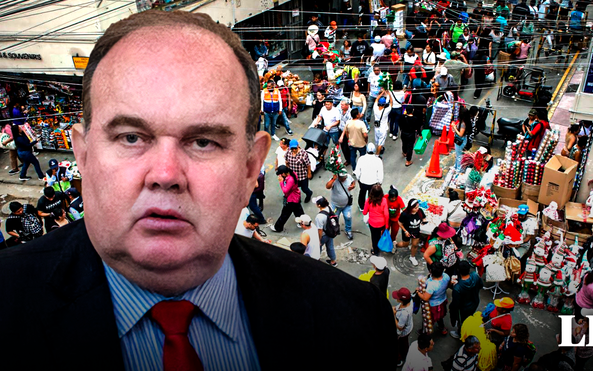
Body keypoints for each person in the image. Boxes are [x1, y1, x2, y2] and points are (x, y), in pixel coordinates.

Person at [0, 11, 397, 370]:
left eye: (204, 141)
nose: (166, 174)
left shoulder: (352, 319)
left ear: (250, 168)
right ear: (82, 156)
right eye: (131, 137)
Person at [449, 260, 483, 340]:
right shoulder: (475, 276)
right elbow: (481, 286)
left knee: (462, 321)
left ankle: (460, 333)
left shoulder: (458, 288)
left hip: (463, 308)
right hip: (475, 302)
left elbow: (455, 304)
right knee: (469, 317)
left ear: (458, 270)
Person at [271, 165, 304, 232]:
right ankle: (303, 222)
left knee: (285, 214)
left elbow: (285, 190)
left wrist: (281, 182)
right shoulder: (292, 174)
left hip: (291, 199)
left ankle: (278, 227)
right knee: (298, 210)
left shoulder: (290, 180)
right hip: (296, 196)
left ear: (283, 173)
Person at [326, 169, 356, 240]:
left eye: (344, 178)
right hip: (336, 205)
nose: (344, 179)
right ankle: (335, 229)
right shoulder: (334, 180)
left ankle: (348, 230)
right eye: (342, 178)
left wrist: (353, 186)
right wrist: (333, 179)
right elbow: (327, 186)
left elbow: (353, 181)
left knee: (348, 217)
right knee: (334, 218)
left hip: (346, 205)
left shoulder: (348, 177)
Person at [354, 142, 384, 210]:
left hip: (363, 181)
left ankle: (362, 207)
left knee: (362, 194)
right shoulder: (378, 160)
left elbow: (358, 171)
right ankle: (371, 206)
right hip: (373, 182)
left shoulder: (361, 159)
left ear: (366, 151)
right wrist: (380, 182)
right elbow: (380, 173)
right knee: (372, 195)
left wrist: (358, 178)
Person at [398, 199, 427, 266]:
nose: (417, 209)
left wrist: (424, 221)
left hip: (416, 231)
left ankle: (412, 257)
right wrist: (405, 231)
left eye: (418, 207)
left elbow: (423, 218)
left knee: (415, 245)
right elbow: (400, 223)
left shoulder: (420, 211)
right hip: (407, 231)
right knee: (405, 244)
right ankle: (395, 245)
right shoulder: (405, 214)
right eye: (415, 208)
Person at [364, 183, 390, 256]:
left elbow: (364, 212)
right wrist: (387, 225)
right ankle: (380, 245)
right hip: (382, 224)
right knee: (379, 235)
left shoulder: (368, 201)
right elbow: (386, 214)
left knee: (374, 237)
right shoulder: (384, 200)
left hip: (372, 223)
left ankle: (376, 251)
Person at [285, 139, 314, 203]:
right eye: (292, 148)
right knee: (294, 188)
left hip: (302, 175)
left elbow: (308, 164)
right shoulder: (288, 152)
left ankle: (309, 194)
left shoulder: (303, 153)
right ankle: (297, 198)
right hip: (293, 176)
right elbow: (286, 161)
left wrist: (309, 173)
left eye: (295, 148)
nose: (294, 150)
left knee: (305, 189)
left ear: (298, 146)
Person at [313, 196, 338, 267]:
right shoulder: (329, 207)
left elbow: (320, 230)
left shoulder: (319, 217)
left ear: (319, 205)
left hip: (324, 235)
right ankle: (333, 261)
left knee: (318, 247)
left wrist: (319, 240)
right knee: (330, 247)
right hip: (331, 232)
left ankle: (316, 259)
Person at [393, 287, 414, 367]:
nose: (396, 299)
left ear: (402, 300)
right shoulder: (410, 302)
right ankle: (405, 353)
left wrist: (394, 315)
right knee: (404, 344)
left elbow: (400, 327)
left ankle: (398, 360)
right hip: (408, 327)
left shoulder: (404, 313)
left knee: (397, 345)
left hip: (402, 332)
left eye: (398, 298)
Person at [373, 91, 392, 156]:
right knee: (380, 143)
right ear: (384, 104)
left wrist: (381, 93)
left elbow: (376, 99)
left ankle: (379, 150)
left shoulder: (375, 108)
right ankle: (377, 155)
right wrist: (389, 94)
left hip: (376, 128)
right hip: (383, 128)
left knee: (377, 141)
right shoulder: (386, 111)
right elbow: (391, 103)